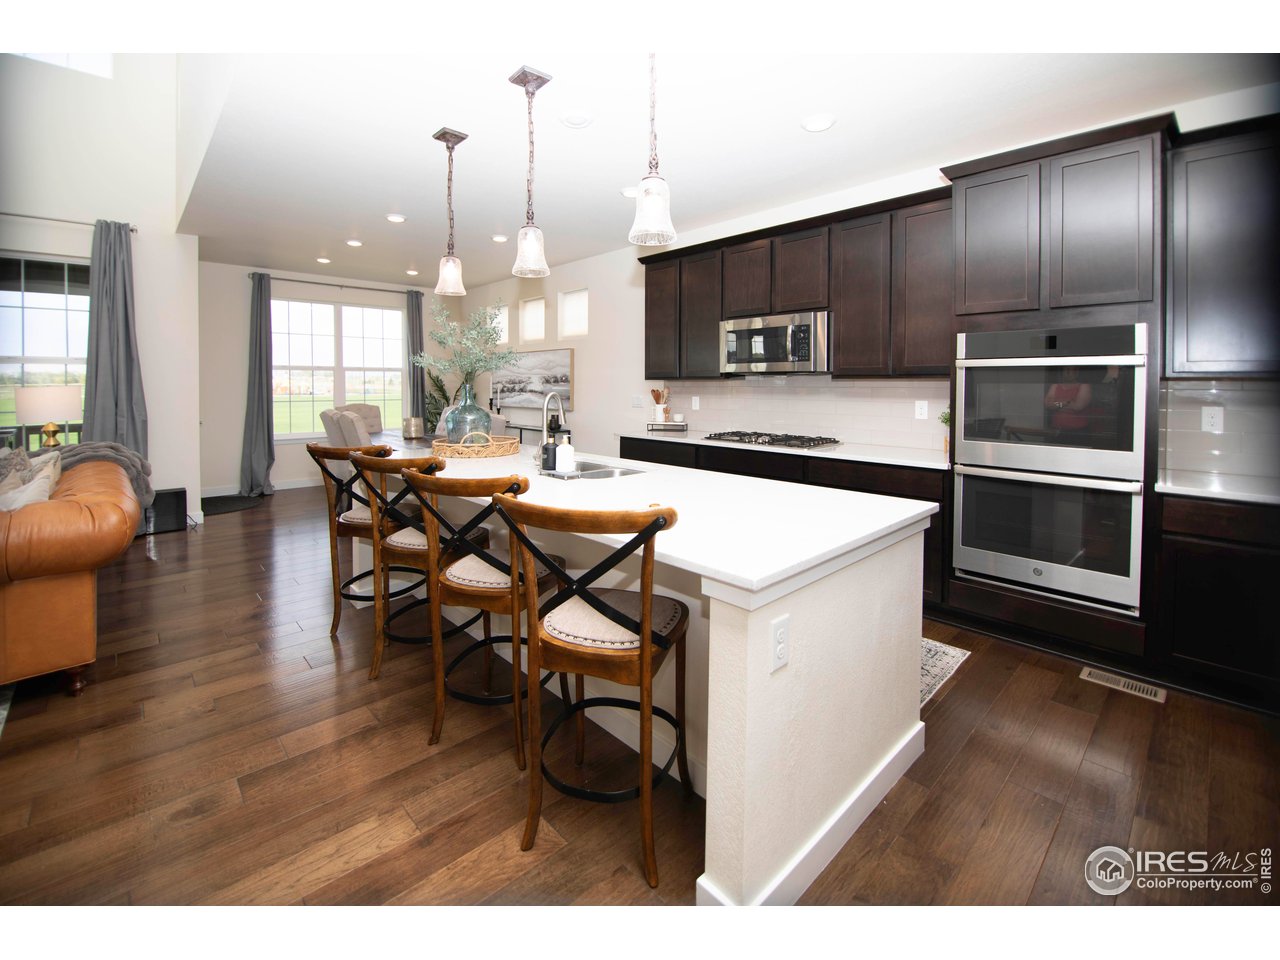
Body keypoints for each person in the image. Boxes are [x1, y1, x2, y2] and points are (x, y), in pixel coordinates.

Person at [1045, 367, 1093, 431]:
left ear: (1077, 373)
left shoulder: (1084, 386)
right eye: (1066, 370)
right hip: (1056, 430)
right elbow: (1048, 405)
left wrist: (1056, 405)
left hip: (1078, 430)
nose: (1068, 373)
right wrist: (1066, 402)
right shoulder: (1055, 385)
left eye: (1071, 370)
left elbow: (1078, 407)